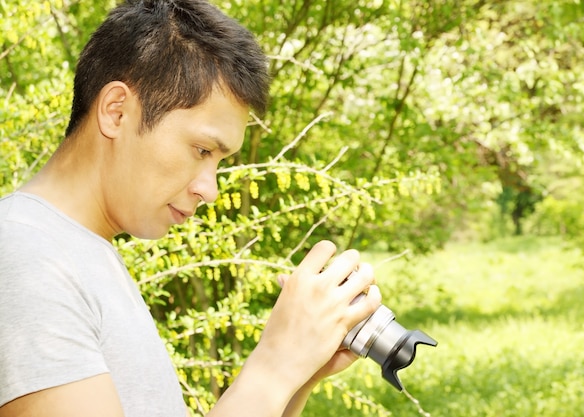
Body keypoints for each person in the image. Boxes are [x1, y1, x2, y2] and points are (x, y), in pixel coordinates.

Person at [0, 1, 381, 416]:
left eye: (218, 161)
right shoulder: (23, 257)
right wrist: (274, 366)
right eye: (201, 149)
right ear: (117, 111)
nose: (210, 190)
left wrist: (297, 372)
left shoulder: (81, 253)